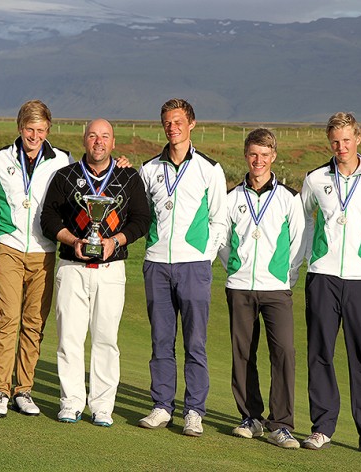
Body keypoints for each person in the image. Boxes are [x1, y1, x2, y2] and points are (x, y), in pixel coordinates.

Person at [40, 118, 150, 427]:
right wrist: (73, 240)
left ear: (113, 142)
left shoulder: (128, 177)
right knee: (69, 339)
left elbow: (142, 219)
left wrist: (115, 241)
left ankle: (102, 406)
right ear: (84, 140)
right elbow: (48, 219)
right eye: (92, 135)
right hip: (72, 267)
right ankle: (71, 402)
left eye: (104, 136)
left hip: (111, 270)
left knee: (106, 340)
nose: (98, 141)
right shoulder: (66, 176)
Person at [300, 112, 361, 458]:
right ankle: (322, 428)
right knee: (320, 353)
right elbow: (303, 221)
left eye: (346, 140)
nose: (341, 147)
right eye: (335, 141)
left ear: (358, 139)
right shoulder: (315, 179)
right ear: (330, 142)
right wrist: (310, 258)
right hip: (323, 278)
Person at [0, 100, 73, 417]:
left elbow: (82, 188)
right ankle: (0, 391)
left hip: (45, 250)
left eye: (41, 130)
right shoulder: (1, 158)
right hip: (9, 246)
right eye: (30, 129)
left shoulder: (62, 160)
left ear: (48, 129)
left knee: (34, 323)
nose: (35, 136)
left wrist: (121, 166)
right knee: (7, 320)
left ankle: (23, 390)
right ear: (20, 127)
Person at [138, 98, 227, 437]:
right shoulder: (149, 169)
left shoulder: (209, 169)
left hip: (194, 266)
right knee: (161, 340)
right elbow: (141, 214)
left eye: (178, 121)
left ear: (191, 124)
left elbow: (219, 220)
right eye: (167, 122)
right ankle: (162, 406)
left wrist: (204, 256)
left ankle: (194, 411)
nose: (172, 127)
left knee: (195, 342)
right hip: (157, 264)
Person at [218, 128, 305, 448]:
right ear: (246, 155)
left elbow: (299, 241)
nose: (259, 160)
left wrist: (286, 277)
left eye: (265, 155)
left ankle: (280, 424)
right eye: (254, 154)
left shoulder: (289, 198)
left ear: (274, 157)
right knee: (243, 352)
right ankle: (250, 417)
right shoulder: (231, 198)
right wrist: (235, 267)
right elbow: (223, 241)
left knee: (284, 352)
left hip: (276, 289)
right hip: (240, 286)